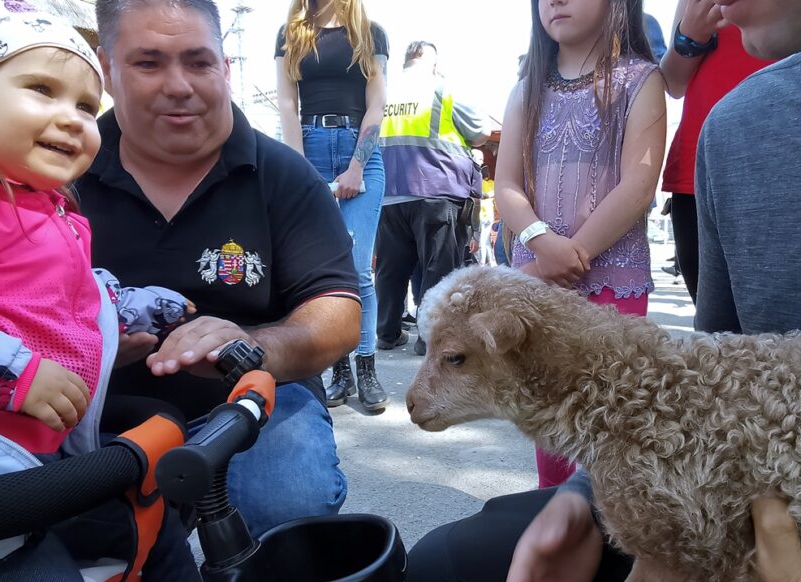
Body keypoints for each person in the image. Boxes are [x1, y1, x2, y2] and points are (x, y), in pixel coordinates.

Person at [397, 0, 801, 582]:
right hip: (753, 502)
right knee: (446, 578)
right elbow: (711, 385)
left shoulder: (639, 85)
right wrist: (591, 493)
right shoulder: (741, 127)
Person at [0, 0, 213, 582]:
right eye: (41, 89)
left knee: (150, 522)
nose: (72, 118)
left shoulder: (45, 210)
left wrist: (136, 307)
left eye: (86, 105)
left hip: (35, 472)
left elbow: (71, 299)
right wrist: (12, 372)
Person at [78, 0, 361, 538]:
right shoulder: (58, 173)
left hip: (254, 397)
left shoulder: (284, 174)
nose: (179, 85)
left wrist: (249, 347)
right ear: (106, 70)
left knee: (286, 503)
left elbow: (339, 314)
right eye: (149, 63)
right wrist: (86, 348)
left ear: (225, 68)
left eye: (198, 61)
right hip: (96, 406)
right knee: (76, 540)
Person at [497, 0, 666, 488]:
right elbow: (506, 184)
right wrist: (541, 243)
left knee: (609, 427)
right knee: (550, 421)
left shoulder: (641, 80)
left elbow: (639, 184)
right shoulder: (525, 90)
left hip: (612, 281)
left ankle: (609, 524)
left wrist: (572, 254)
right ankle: (554, 512)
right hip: (538, 283)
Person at [275, 0, 390, 413]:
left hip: (361, 152)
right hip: (310, 148)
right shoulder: (291, 32)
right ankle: (339, 368)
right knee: (325, 268)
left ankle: (366, 368)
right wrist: (300, 169)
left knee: (358, 268)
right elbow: (286, 105)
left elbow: (377, 103)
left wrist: (356, 166)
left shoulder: (370, 32)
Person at [374, 40, 490, 358]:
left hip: (389, 192)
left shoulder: (382, 90)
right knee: (438, 267)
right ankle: (429, 337)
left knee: (391, 268)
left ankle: (387, 332)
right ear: (431, 61)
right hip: (436, 187)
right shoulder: (441, 87)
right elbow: (480, 131)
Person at [658, 0, 771, 303]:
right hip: (700, 169)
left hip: (792, 165)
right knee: (714, 325)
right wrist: (691, 34)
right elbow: (673, 82)